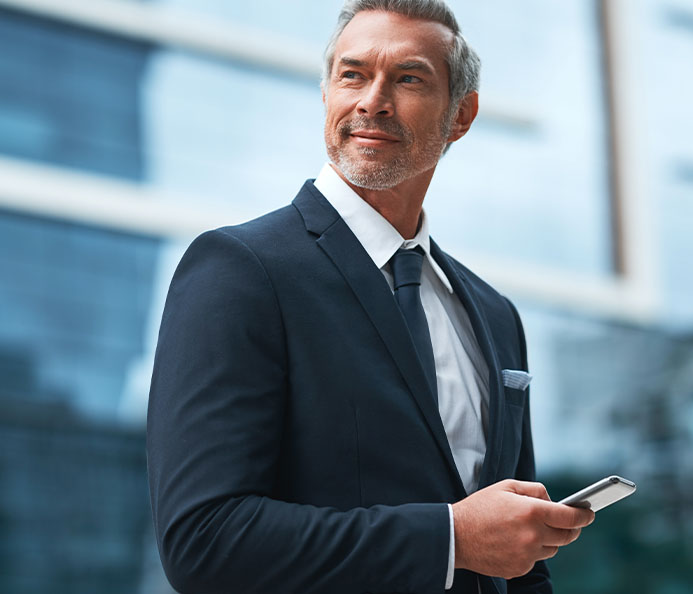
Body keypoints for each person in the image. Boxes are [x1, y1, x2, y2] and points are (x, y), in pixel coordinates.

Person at [146, 1, 594, 592]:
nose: (372, 101)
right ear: (328, 92)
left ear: (461, 115)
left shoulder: (494, 313)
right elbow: (203, 541)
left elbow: (517, 561)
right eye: (352, 74)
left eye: (408, 78)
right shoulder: (240, 270)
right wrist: (451, 537)